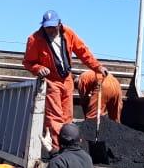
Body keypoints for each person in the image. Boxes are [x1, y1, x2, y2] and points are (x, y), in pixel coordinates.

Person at [23, 10, 107, 151]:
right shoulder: (34, 39)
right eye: (47, 27)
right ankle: (57, 150)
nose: (50, 30)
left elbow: (83, 52)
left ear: (59, 24)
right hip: (51, 81)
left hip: (66, 79)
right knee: (54, 118)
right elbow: (28, 62)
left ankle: (69, 148)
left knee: (67, 117)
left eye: (52, 27)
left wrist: (97, 66)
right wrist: (38, 69)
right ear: (43, 26)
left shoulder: (68, 33)